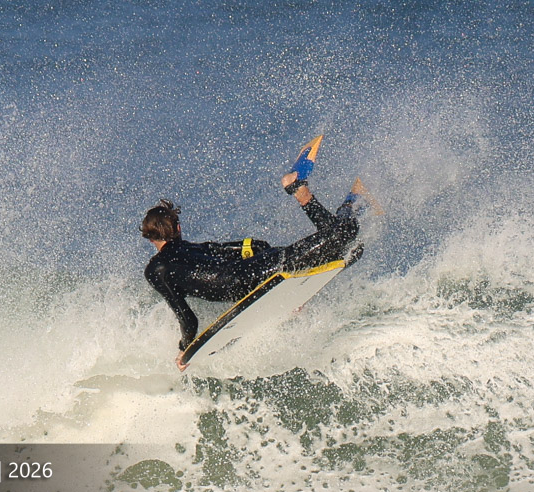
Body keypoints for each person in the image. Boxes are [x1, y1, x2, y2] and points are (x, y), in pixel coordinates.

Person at [142, 137, 367, 370]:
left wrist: (184, 348)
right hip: (266, 264)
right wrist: (277, 279)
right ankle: (354, 198)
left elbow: (188, 319)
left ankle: (300, 187)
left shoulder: (156, 270)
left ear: (149, 238)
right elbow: (253, 246)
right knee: (347, 249)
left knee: (344, 234)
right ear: (178, 228)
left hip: (260, 275)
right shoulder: (193, 248)